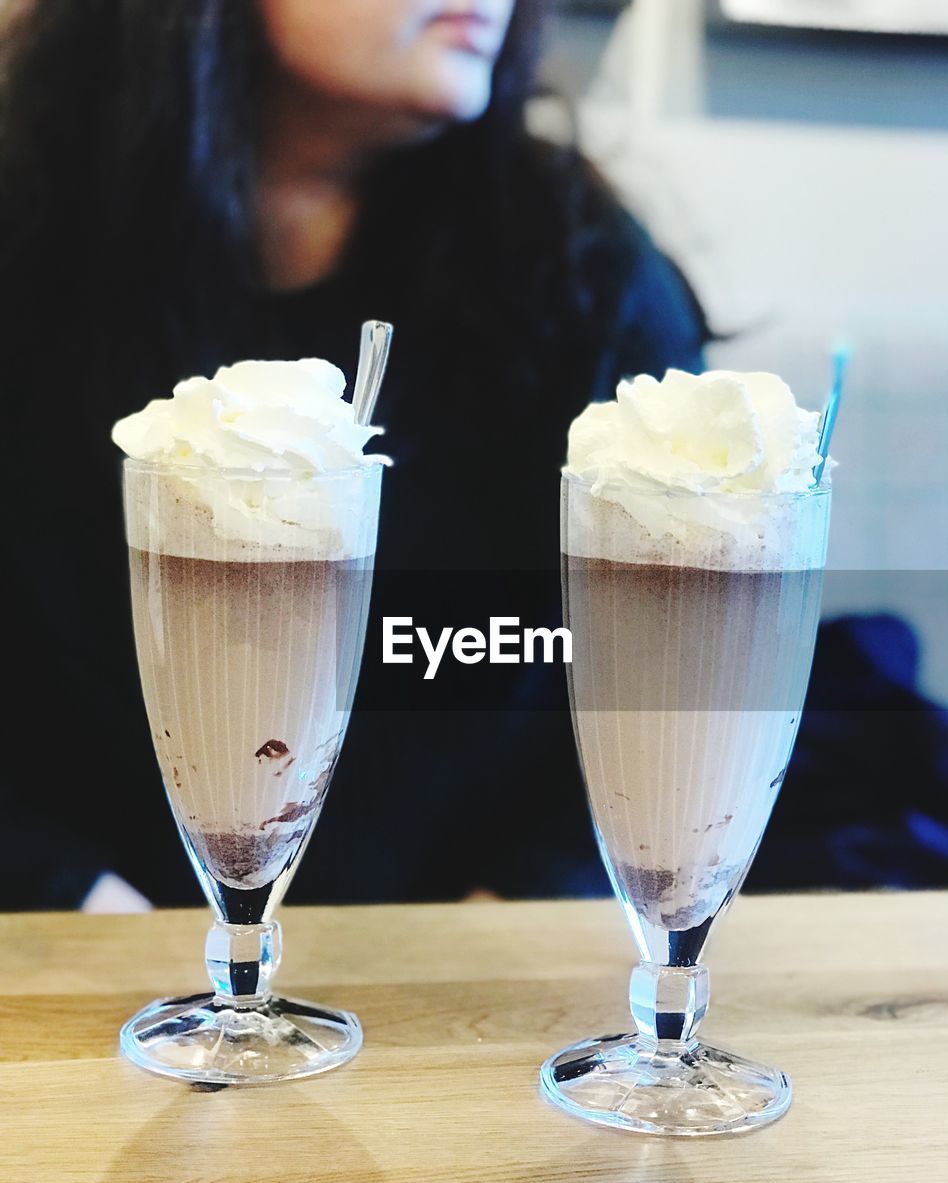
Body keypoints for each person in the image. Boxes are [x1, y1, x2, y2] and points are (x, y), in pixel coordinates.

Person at [0, 0, 709, 909]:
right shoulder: (31, 251)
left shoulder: (576, 269)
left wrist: (513, 910)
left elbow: (684, 668)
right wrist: (78, 900)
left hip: (472, 971)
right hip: (81, 969)